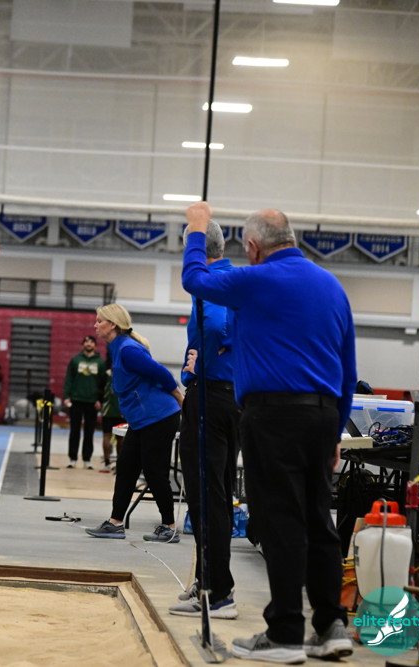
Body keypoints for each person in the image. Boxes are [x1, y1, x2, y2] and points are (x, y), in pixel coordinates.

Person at [182, 202, 356, 663]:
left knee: (280, 522)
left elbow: (195, 280)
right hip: (323, 416)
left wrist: (197, 228)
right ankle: (330, 625)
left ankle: (284, 633)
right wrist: (335, 432)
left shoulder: (255, 280)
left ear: (253, 247)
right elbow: (348, 368)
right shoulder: (332, 286)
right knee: (319, 522)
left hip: (273, 416)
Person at [167, 220, 241, 621]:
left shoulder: (210, 283)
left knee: (206, 496)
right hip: (229, 397)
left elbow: (214, 326)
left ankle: (219, 591)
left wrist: (203, 360)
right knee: (215, 494)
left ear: (192, 250)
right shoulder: (233, 279)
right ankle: (210, 580)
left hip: (211, 397)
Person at [85, 304, 183, 542]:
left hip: (159, 417)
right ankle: (115, 523)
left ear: (112, 325)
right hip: (141, 420)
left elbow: (161, 373)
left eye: (99, 321)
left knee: (154, 471)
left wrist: (180, 398)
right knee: (126, 468)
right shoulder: (118, 347)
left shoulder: (128, 349)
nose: (95, 325)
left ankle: (169, 527)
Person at [63, 335, 107, 469]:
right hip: (76, 399)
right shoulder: (75, 360)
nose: (89, 344)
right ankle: (72, 458)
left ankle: (87, 459)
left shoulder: (101, 362)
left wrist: (100, 400)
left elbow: (103, 383)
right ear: (82, 345)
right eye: (86, 342)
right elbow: (69, 379)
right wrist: (66, 396)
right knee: (74, 430)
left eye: (91, 342)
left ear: (95, 345)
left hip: (92, 402)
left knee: (89, 431)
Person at [98, 362, 123, 473]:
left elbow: (99, 390)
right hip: (121, 411)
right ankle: (120, 465)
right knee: (120, 438)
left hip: (108, 410)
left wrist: (99, 401)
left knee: (107, 435)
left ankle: (107, 464)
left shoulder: (106, 373)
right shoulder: (126, 374)